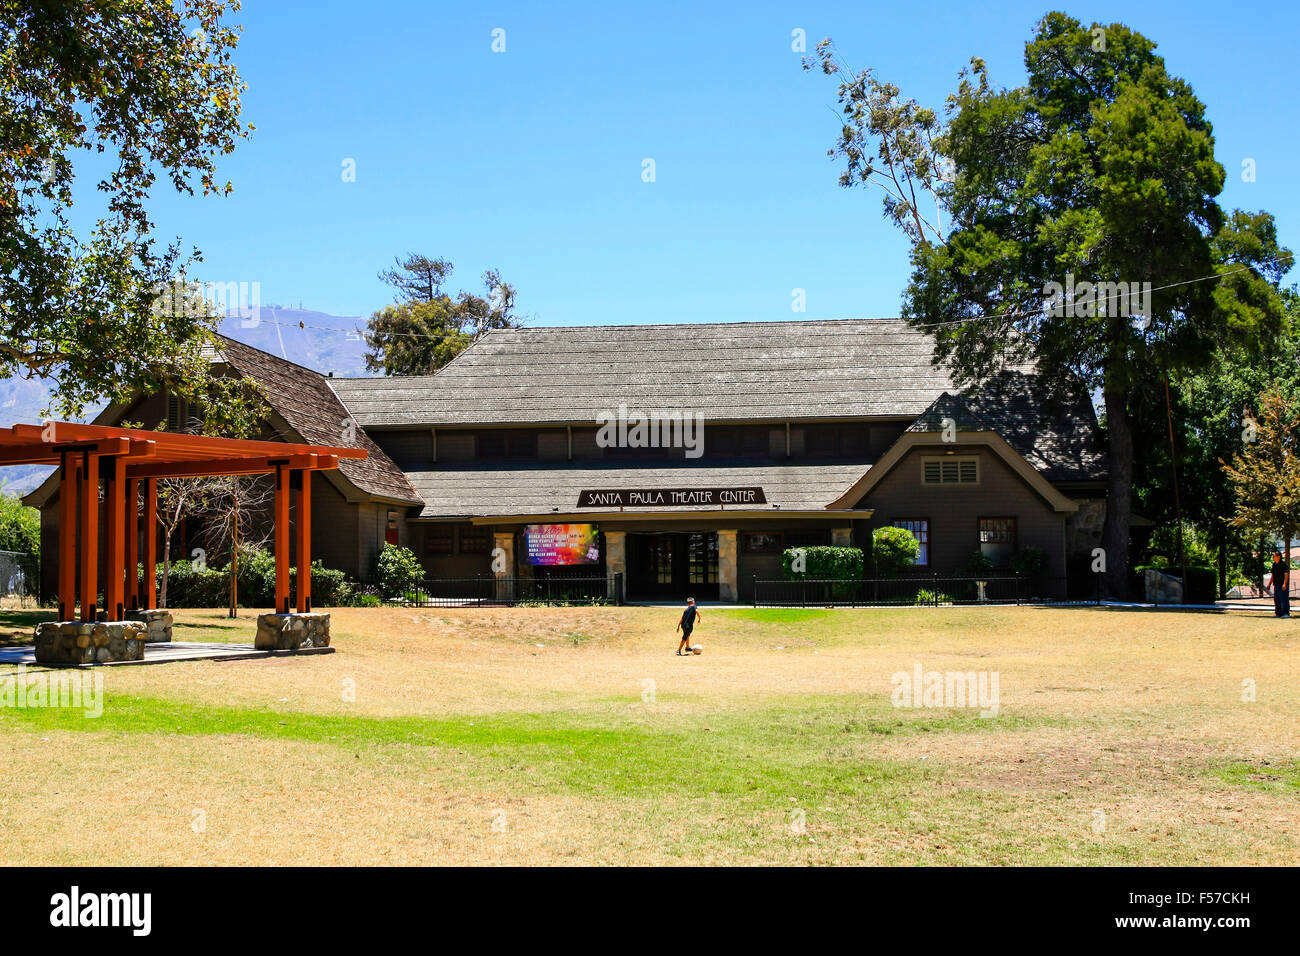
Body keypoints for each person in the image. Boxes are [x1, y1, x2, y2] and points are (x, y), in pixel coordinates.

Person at [1268, 550, 1290, 619]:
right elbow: (1273, 575)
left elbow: (1286, 575)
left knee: (1284, 599)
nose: (1273, 557)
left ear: (1278, 557)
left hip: (1282, 585)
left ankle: (1286, 613)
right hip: (1276, 585)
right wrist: (1269, 584)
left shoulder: (1283, 564)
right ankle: (1278, 613)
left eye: (1274, 556)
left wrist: (1284, 584)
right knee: (1277, 600)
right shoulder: (1274, 564)